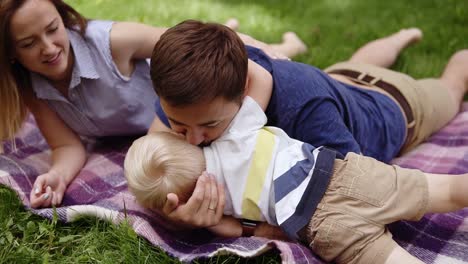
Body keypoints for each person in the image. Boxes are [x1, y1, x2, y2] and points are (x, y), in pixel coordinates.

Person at [148, 20, 468, 229]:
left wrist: (243, 229)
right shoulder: (195, 90)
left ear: (243, 88)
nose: (192, 140)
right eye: (179, 126)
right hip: (340, 80)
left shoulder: (305, 106)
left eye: (208, 126)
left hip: (396, 106)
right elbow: (153, 146)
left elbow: (353, 190)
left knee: (452, 87)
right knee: (352, 67)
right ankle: (400, 36)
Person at [0, 0, 308, 208]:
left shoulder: (113, 41)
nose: (49, 47)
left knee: (251, 53)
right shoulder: (33, 84)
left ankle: (289, 44)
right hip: (164, 134)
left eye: (53, 29)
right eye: (29, 43)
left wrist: (268, 52)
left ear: (64, 19)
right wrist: (58, 177)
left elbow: (203, 43)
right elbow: (67, 147)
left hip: (188, 119)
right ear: (11, 53)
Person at [125, 96, 468, 264]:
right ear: (182, 138)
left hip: (321, 227)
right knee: (448, 190)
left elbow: (246, 230)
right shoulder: (233, 134)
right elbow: (246, 92)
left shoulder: (217, 209)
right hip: (342, 175)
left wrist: (216, 224)